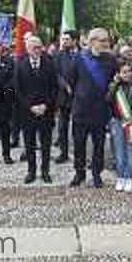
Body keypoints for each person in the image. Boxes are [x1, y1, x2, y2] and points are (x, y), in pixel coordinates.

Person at [68, 27, 117, 188]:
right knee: (79, 144)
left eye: (107, 41)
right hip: (81, 110)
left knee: (99, 145)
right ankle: (79, 173)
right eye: (103, 41)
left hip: (100, 111)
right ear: (92, 41)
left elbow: (112, 83)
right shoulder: (78, 58)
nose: (106, 44)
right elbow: (72, 81)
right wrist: (82, 95)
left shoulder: (111, 60)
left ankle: (97, 173)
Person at [15, 35, 58, 184]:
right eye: (34, 47)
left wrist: (46, 105)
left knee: (46, 144)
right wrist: (30, 107)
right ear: (27, 49)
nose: (37, 50)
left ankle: (45, 171)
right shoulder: (20, 65)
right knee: (29, 144)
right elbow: (18, 90)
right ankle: (31, 171)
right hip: (28, 113)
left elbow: (54, 88)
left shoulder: (50, 64)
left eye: (39, 47)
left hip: (46, 112)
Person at [108, 59, 132, 192]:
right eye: (124, 72)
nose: (127, 74)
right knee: (119, 153)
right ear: (119, 73)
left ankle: (129, 178)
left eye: (129, 72)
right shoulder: (115, 86)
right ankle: (120, 177)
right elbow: (108, 100)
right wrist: (116, 83)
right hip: (117, 122)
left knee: (131, 153)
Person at [54, 29, 79, 164]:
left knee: (78, 128)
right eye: (63, 39)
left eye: (66, 39)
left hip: (79, 98)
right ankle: (63, 153)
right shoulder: (58, 55)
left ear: (75, 41)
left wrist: (76, 88)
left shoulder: (83, 55)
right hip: (63, 97)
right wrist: (65, 86)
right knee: (62, 126)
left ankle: (78, 153)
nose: (63, 42)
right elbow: (55, 73)